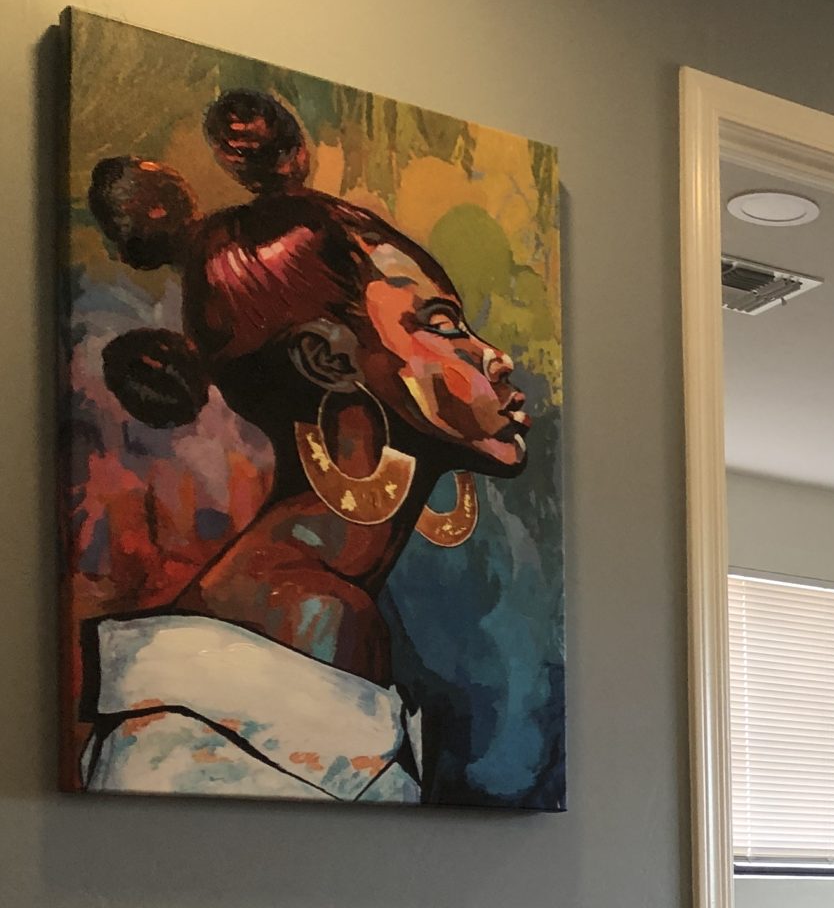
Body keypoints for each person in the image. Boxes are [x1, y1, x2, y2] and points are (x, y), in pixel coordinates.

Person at [80, 89, 531, 801]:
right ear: (327, 360)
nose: (493, 356)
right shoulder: (302, 615)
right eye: (442, 326)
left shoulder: (336, 605)